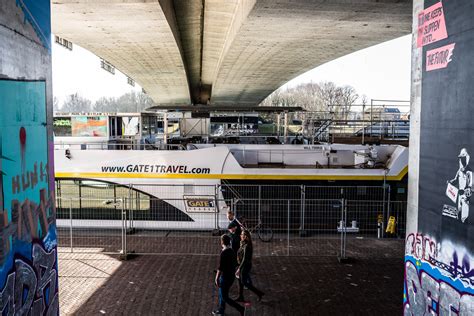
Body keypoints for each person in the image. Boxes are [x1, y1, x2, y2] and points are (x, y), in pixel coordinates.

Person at [213, 235, 245, 316]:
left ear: (222, 242)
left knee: (224, 297)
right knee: (222, 294)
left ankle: (240, 308)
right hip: (231, 276)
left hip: (225, 277)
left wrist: (216, 278)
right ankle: (221, 310)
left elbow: (220, 268)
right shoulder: (232, 251)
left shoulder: (223, 253)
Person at [235, 230, 264, 302]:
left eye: (242, 234)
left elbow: (245, 259)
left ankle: (259, 293)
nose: (240, 235)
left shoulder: (247, 246)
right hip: (241, 264)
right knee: (240, 281)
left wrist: (239, 269)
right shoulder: (242, 243)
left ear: (245, 236)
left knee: (244, 282)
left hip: (245, 266)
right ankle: (241, 296)